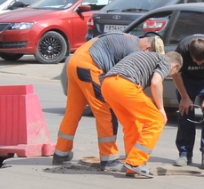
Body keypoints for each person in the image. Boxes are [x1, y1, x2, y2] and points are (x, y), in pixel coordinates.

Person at [52, 33, 163, 171]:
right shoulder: (134, 51)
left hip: (74, 62)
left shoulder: (128, 37)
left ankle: (61, 152)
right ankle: (109, 159)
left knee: (73, 111)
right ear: (147, 49)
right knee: (106, 113)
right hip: (90, 66)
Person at [101, 51, 183, 178]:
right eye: (172, 74)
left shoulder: (149, 56)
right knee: (156, 120)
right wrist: (161, 108)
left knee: (132, 124)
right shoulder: (165, 61)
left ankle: (131, 165)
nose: (169, 75)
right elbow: (156, 82)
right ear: (175, 66)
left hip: (108, 84)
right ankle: (136, 162)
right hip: (125, 84)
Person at [171, 35, 204, 169]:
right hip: (187, 79)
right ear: (190, 54)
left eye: (202, 62)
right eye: (195, 61)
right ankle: (185, 153)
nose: (198, 64)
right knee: (185, 114)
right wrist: (185, 97)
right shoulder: (181, 50)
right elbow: (176, 74)